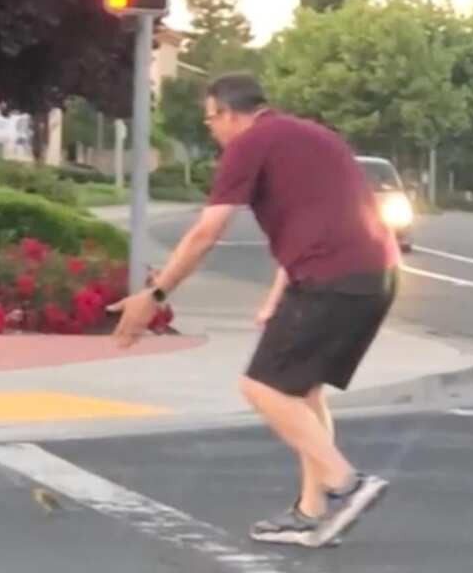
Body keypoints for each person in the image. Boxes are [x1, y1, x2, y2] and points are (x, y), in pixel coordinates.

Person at [107, 73, 399, 548]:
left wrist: (156, 295)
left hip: (332, 279)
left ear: (227, 113)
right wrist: (276, 297)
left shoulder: (250, 143)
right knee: (301, 391)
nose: (212, 130)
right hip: (374, 276)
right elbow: (325, 219)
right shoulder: (316, 136)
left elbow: (207, 231)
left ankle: (347, 485)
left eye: (210, 120)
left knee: (260, 385)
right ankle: (312, 513)